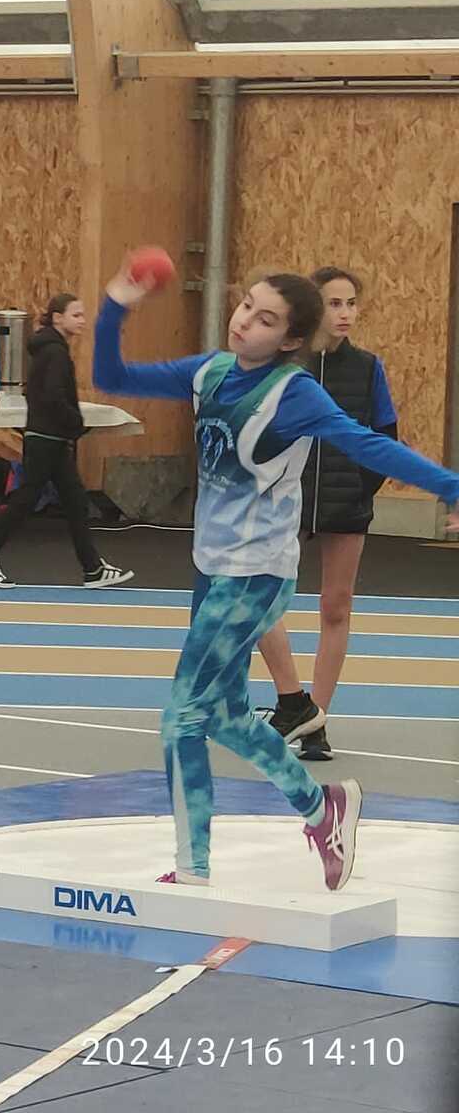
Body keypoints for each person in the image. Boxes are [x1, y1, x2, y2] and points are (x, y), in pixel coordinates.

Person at [94, 262, 459, 890]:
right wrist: (117, 304)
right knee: (228, 716)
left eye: (265, 319)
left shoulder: (294, 394)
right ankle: (324, 809)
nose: (244, 322)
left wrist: (449, 485)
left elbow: (368, 443)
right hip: (214, 568)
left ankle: (193, 867)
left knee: (182, 716)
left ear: (290, 340)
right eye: (246, 306)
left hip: (256, 575)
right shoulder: (210, 372)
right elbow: (112, 377)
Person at [256, 267, 398, 762]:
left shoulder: (368, 368)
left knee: (336, 608)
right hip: (284, 503)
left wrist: (360, 487)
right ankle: (291, 700)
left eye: (351, 303)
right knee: (258, 601)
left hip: (345, 504)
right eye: (335, 303)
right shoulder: (282, 366)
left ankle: (317, 722)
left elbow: (385, 435)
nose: (345, 313)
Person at [0, 294, 133, 590]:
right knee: (26, 499)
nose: (82, 321)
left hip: (50, 438)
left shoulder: (49, 350)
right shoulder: (55, 353)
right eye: (76, 315)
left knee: (75, 501)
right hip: (47, 439)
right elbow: (54, 395)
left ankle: (92, 569)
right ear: (57, 318)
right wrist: (75, 422)